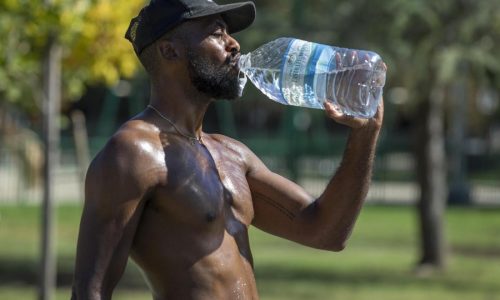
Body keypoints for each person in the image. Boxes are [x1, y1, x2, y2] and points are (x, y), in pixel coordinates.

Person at [71, 0, 384, 299]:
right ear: (170, 50)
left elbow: (326, 231)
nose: (234, 44)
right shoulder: (134, 153)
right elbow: (91, 291)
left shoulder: (232, 154)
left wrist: (365, 135)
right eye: (216, 32)